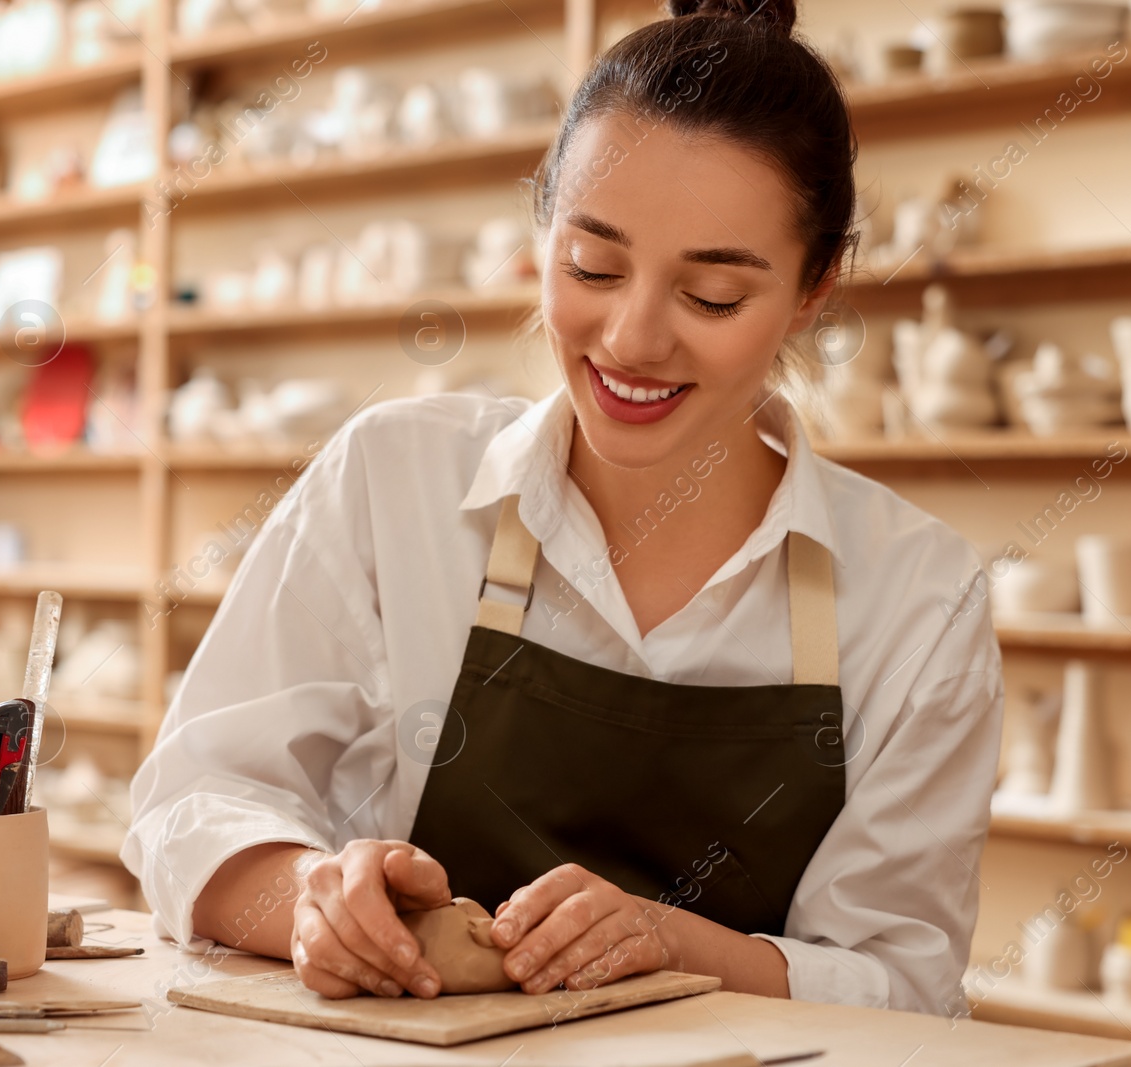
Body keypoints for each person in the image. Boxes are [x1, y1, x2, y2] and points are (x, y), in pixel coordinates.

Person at [124, 0, 1003, 1013]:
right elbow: (191, 801)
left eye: (712, 295)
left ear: (814, 289)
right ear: (541, 222)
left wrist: (669, 938)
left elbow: (905, 983)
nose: (631, 339)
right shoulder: (392, 478)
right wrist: (309, 901)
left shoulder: (917, 596)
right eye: (592, 264)